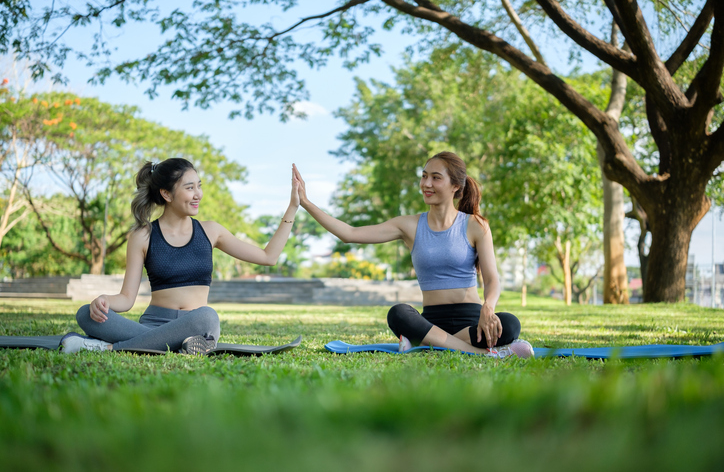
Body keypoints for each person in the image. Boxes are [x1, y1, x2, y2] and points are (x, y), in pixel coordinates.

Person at [293, 152, 533, 358]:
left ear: (455, 186)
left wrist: (488, 308)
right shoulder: (408, 225)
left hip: (472, 321)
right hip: (429, 322)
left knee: (510, 324)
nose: (426, 184)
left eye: (436, 178)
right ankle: (480, 353)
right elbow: (350, 233)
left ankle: (424, 343)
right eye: (424, 176)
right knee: (398, 313)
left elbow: (492, 280)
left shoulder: (475, 225)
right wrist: (305, 202)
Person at [61, 157, 300, 355]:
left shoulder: (211, 231)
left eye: (199, 185)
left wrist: (292, 207)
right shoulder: (143, 236)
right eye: (189, 188)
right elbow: (126, 298)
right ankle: (178, 346)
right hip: (153, 324)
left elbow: (269, 257)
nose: (198, 194)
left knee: (207, 316)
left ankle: (110, 348)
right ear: (166, 193)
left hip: (196, 324)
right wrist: (104, 301)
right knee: (86, 314)